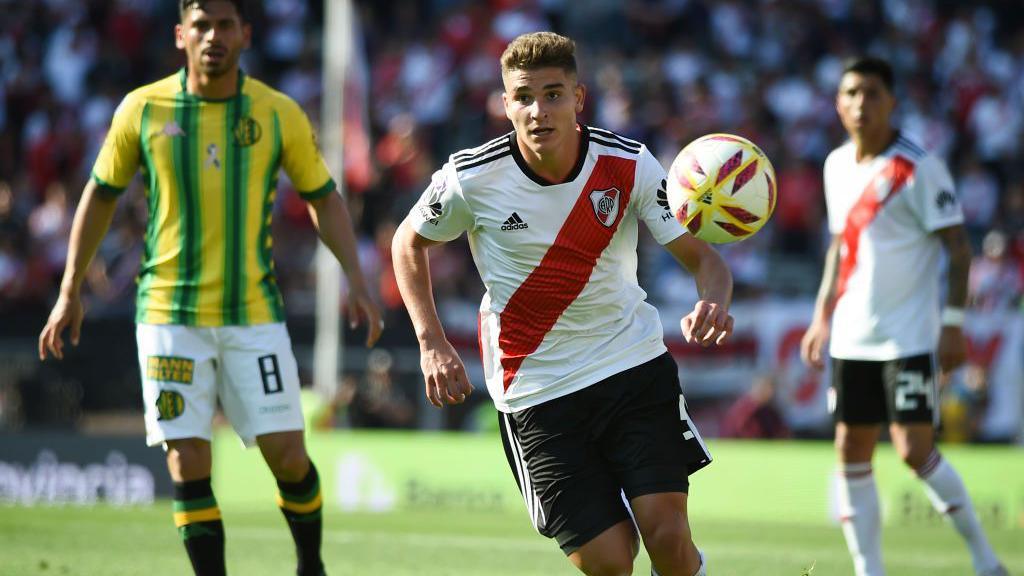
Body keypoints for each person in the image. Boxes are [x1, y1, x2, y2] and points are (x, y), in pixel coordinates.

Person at [37, 2, 383, 575]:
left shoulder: (277, 113)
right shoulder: (143, 109)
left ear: (245, 34)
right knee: (188, 463)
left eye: (225, 24)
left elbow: (323, 198)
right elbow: (100, 194)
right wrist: (70, 287)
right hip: (169, 315)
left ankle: (310, 566)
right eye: (201, 25)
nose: (212, 36)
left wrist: (357, 280)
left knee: (288, 455)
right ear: (180, 35)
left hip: (253, 313)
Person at [393, 31, 733, 576]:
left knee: (668, 536)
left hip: (631, 365)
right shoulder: (470, 178)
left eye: (553, 94)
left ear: (578, 99)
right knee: (608, 563)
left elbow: (705, 261)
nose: (537, 110)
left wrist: (712, 301)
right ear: (505, 104)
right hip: (538, 391)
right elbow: (407, 243)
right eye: (523, 96)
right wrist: (431, 341)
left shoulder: (629, 165)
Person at [800, 56, 1006, 576]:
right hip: (850, 336)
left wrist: (954, 321)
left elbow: (959, 250)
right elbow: (837, 248)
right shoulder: (834, 165)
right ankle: (870, 571)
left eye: (872, 92)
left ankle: (984, 559)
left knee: (915, 450)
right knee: (851, 449)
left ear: (892, 101)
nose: (860, 103)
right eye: (851, 93)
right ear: (838, 103)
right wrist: (821, 313)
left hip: (907, 338)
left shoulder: (919, 167)